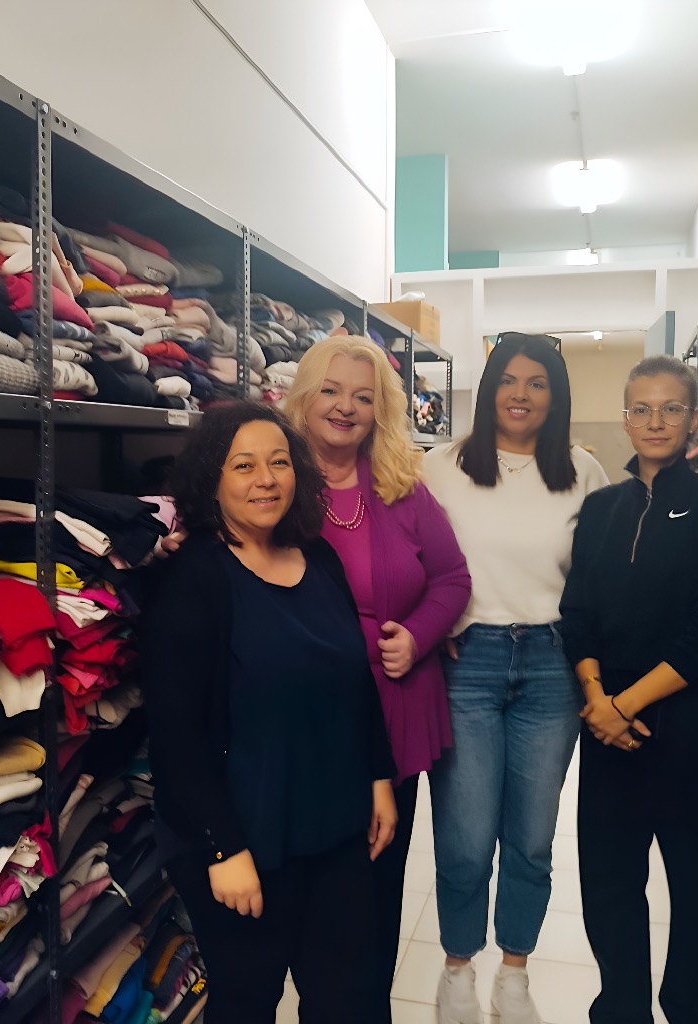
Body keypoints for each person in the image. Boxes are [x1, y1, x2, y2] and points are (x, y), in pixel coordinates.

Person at [139, 402, 398, 1024]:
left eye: (279, 462)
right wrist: (223, 850)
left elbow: (355, 682)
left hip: (334, 828)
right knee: (248, 1001)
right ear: (212, 480)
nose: (266, 480)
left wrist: (378, 777)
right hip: (242, 836)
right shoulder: (194, 577)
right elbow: (176, 734)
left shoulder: (320, 558)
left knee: (348, 999)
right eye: (244, 465)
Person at [421, 332, 609, 1024]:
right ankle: (457, 970)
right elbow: (411, 553)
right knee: (466, 836)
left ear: (556, 396)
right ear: (488, 389)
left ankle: (514, 974)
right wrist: (427, 620)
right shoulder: (441, 466)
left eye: (537, 383)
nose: (520, 395)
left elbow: (600, 574)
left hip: (552, 667)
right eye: (508, 380)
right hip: (466, 663)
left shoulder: (583, 471)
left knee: (531, 836)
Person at [285, 336, 472, 1022]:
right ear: (305, 397)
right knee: (318, 895)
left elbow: (452, 578)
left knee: (376, 889)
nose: (345, 407)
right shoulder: (277, 482)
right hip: (311, 721)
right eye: (331, 390)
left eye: (363, 397)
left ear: (380, 411)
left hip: (394, 714)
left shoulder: (401, 486)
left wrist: (418, 635)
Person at [560, 355, 698, 1024]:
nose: (656, 421)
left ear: (694, 418)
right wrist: (596, 699)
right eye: (641, 408)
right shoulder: (601, 509)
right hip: (609, 737)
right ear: (625, 419)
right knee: (609, 890)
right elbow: (576, 612)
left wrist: (625, 704)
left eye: (671, 408)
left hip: (693, 732)